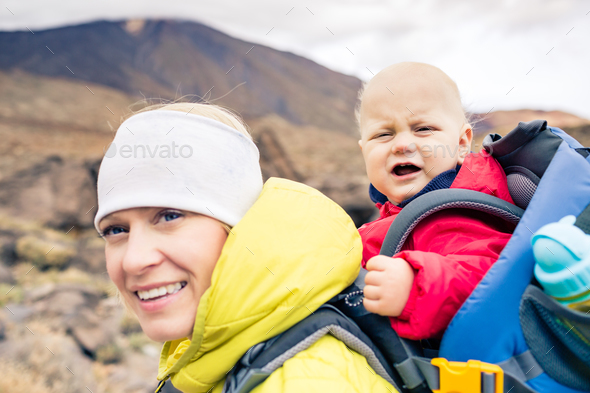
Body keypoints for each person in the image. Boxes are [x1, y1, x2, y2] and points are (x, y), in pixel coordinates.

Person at [94, 103, 396, 392]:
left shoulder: (306, 380)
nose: (134, 260)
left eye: (170, 216)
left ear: (239, 226)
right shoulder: (217, 356)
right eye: (116, 229)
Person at [357, 62, 516, 340]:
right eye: (383, 134)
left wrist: (416, 286)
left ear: (462, 143)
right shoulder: (397, 211)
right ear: (363, 150)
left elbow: (491, 276)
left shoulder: (455, 210)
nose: (401, 144)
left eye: (423, 129)